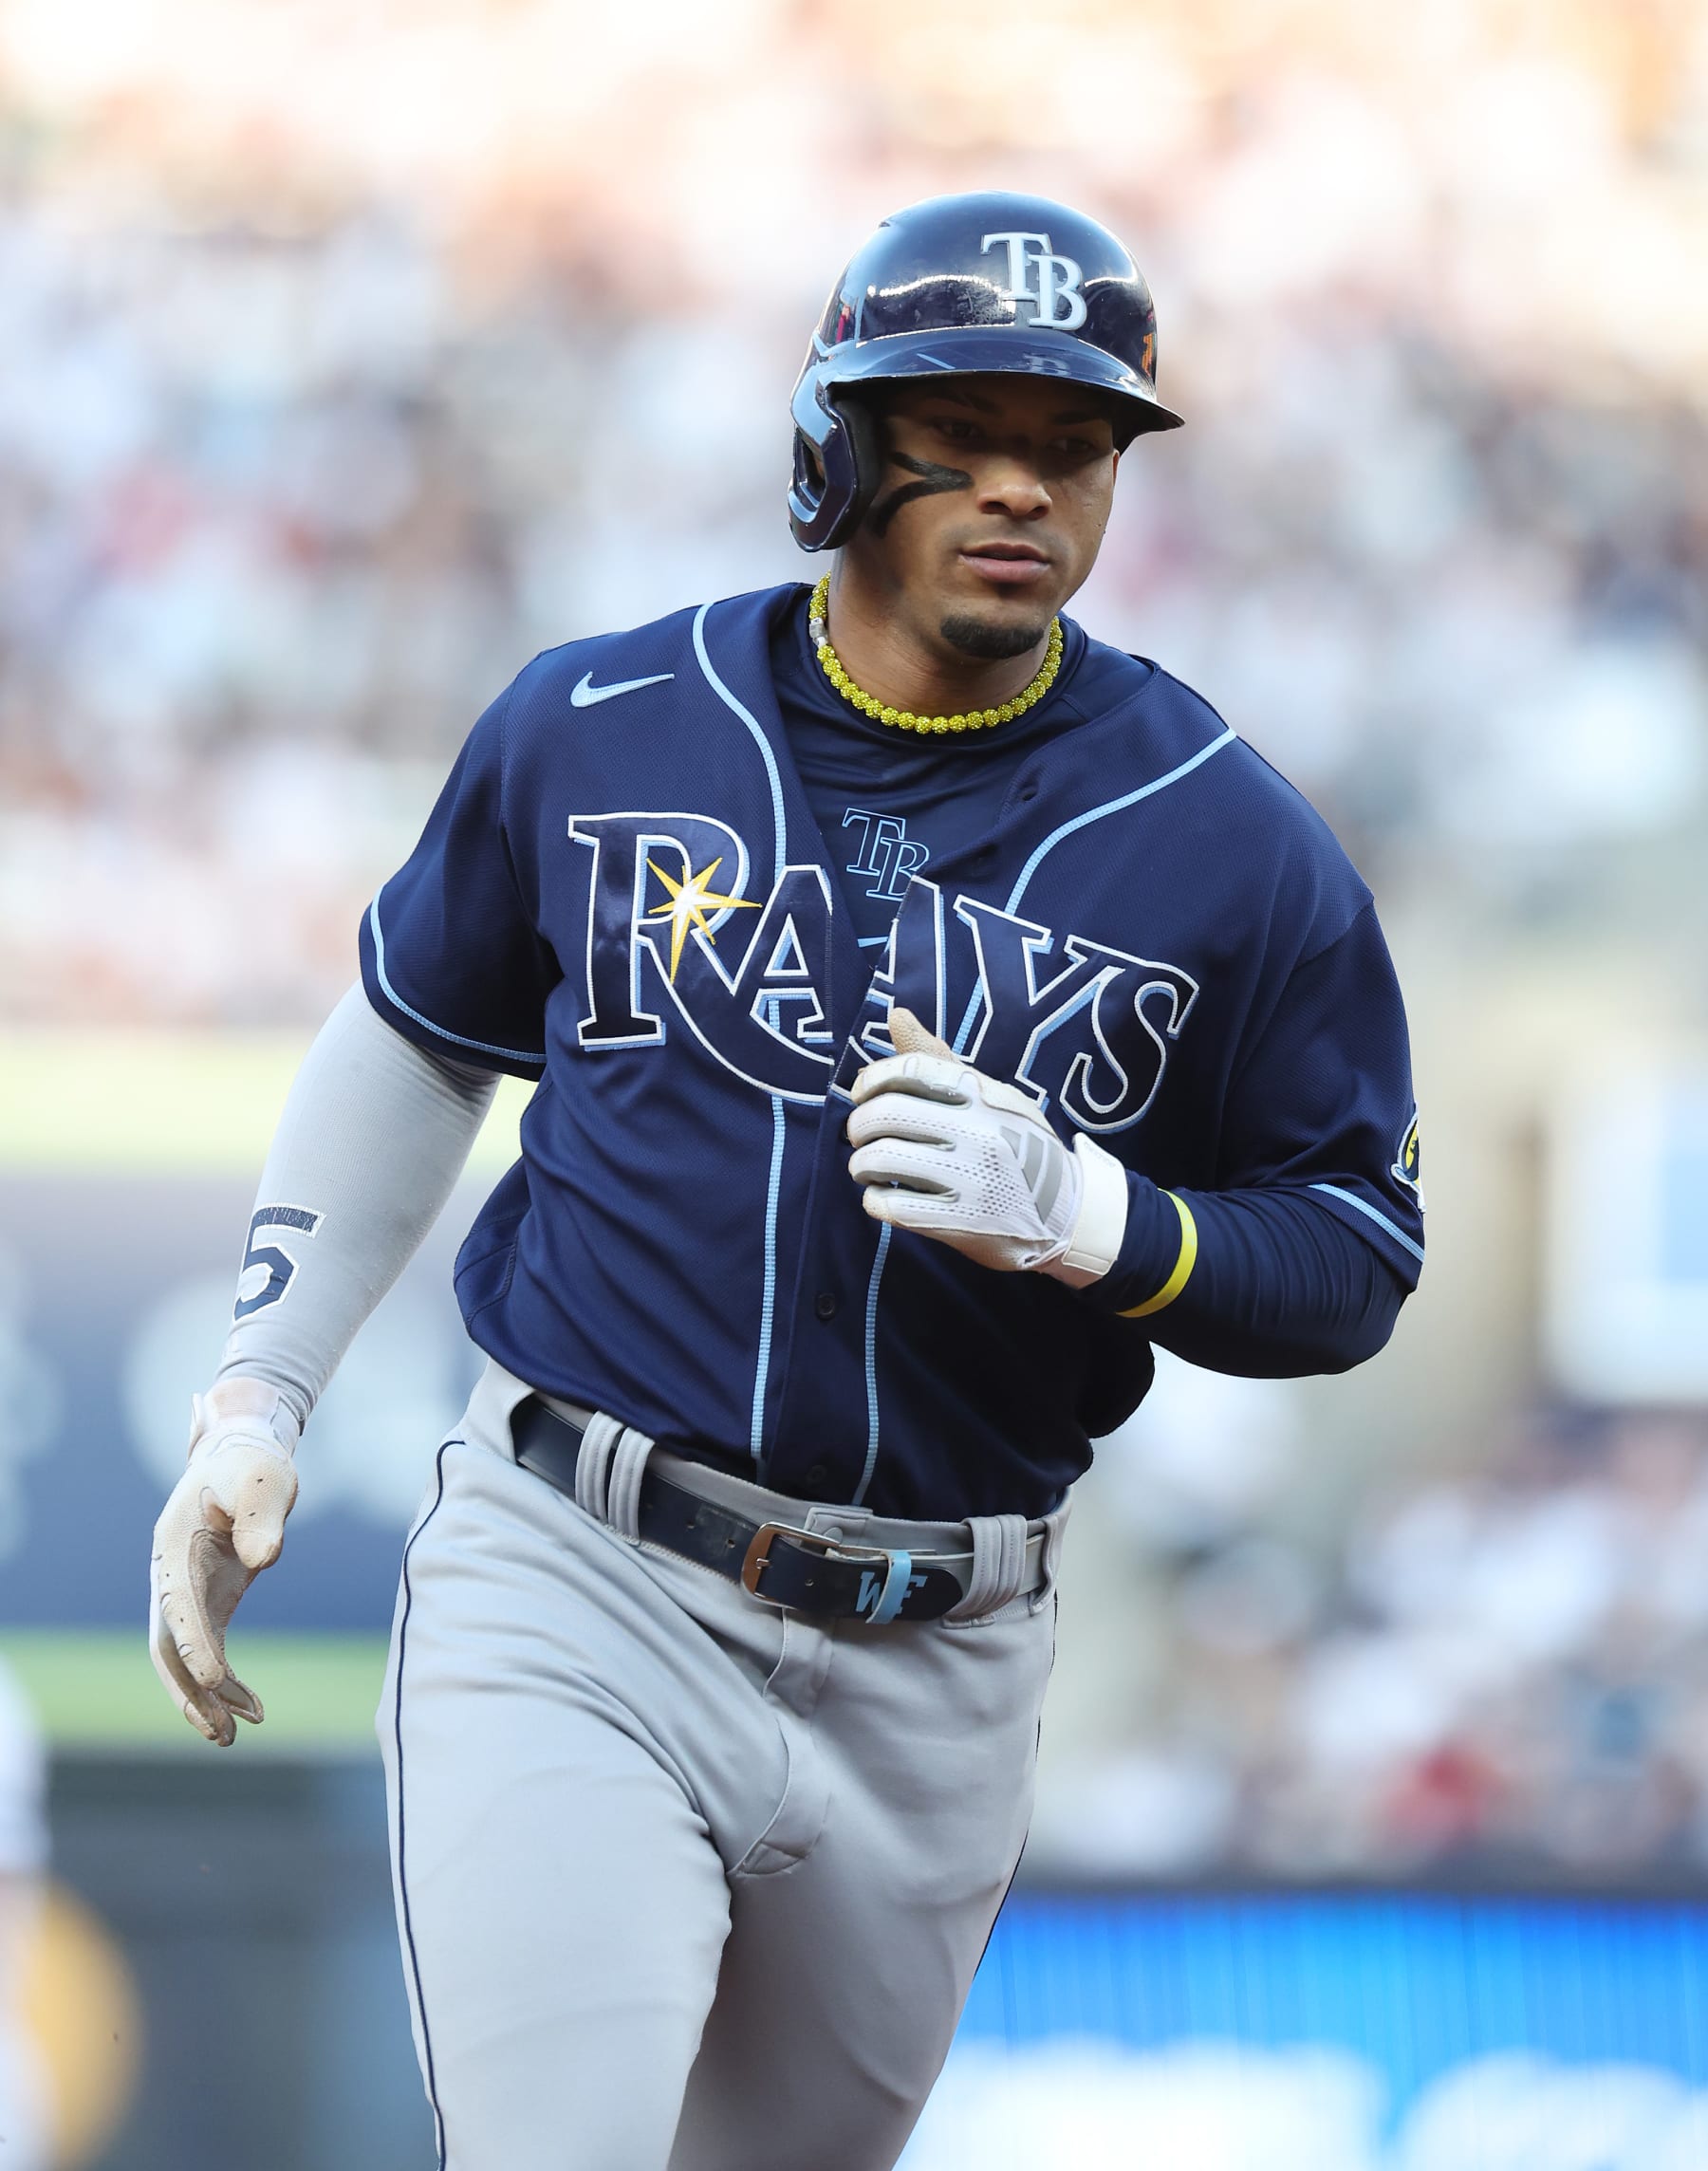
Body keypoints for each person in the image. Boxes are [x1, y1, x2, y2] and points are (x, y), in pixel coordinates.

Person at [148, 193, 1424, 2171]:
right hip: (583, 1572)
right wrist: (259, 1390)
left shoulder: (1230, 837)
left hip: (943, 1648)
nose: (1023, 487)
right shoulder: (601, 719)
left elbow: (1353, 1253)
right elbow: (416, 1031)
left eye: (1073, 442)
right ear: (839, 447)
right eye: (962, 431)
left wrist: (1098, 1220)